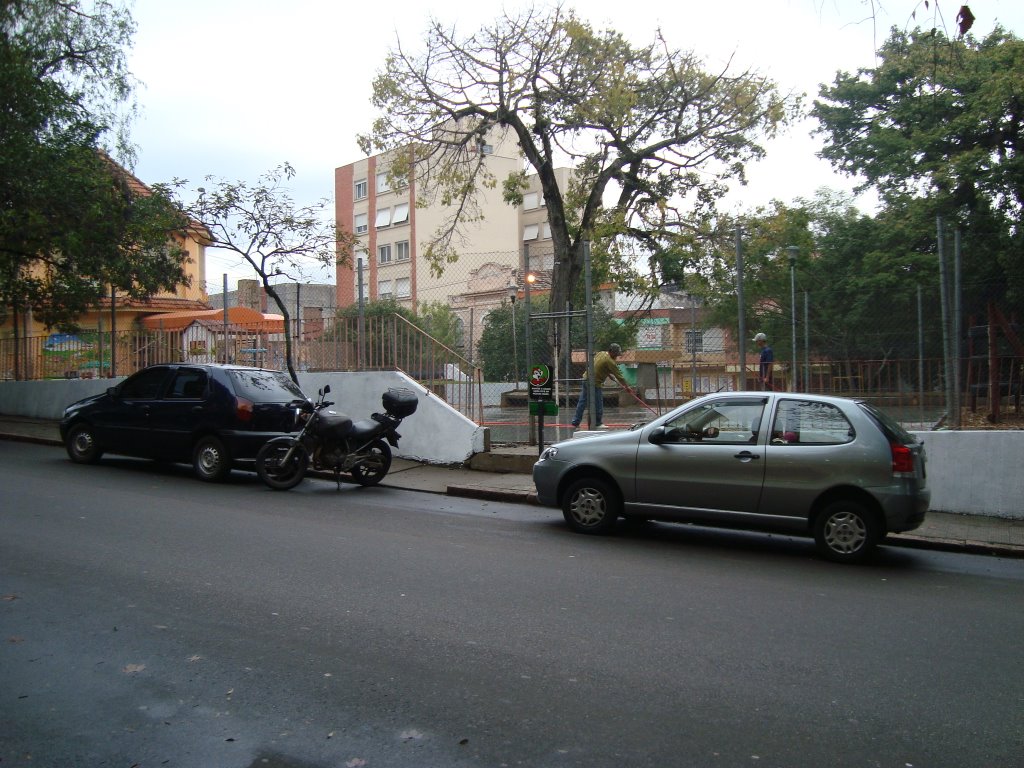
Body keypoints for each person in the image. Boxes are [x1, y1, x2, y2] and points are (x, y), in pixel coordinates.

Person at [571, 343, 630, 429]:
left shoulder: (601, 353)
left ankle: (575, 422)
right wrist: (627, 387)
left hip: (586, 378)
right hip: (594, 383)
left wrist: (608, 374)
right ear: (612, 352)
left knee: (582, 402)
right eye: (616, 354)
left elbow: (598, 365)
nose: (617, 356)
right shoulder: (610, 361)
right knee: (598, 403)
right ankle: (598, 423)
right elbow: (619, 376)